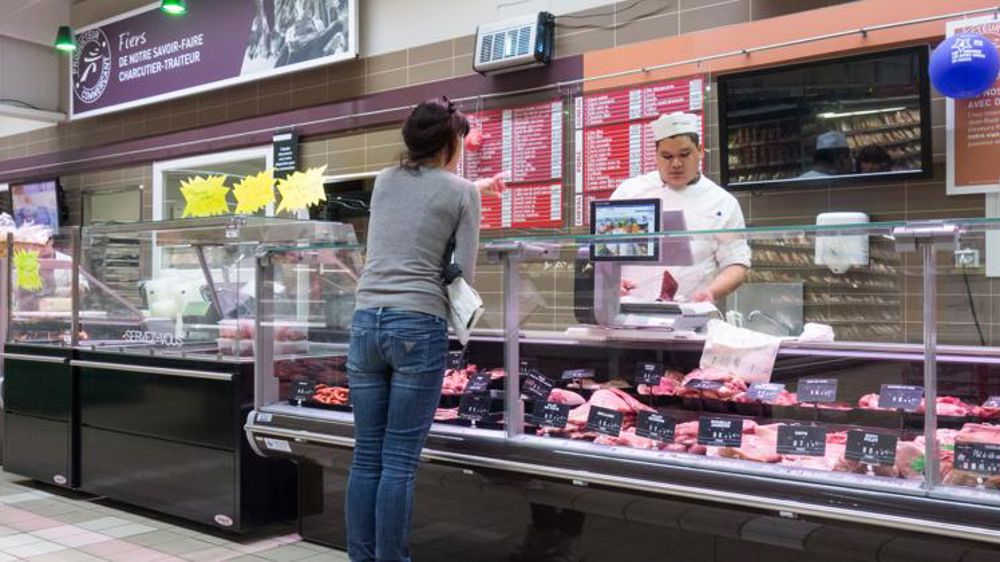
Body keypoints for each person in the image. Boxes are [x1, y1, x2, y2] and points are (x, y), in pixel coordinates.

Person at [346, 97, 504, 562]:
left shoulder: (383, 181)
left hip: (365, 322)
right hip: (417, 322)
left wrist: (475, 185)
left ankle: (362, 558)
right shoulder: (462, 194)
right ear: (451, 142)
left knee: (367, 455)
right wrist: (475, 193)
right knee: (398, 461)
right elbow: (465, 271)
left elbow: (419, 198)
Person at [611, 112, 750, 303]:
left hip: (690, 314)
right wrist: (610, 282)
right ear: (656, 156)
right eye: (667, 156)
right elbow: (604, 254)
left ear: (700, 151)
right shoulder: (630, 193)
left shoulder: (722, 202)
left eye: (684, 154)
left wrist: (711, 292)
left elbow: (736, 263)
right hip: (628, 312)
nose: (676, 164)